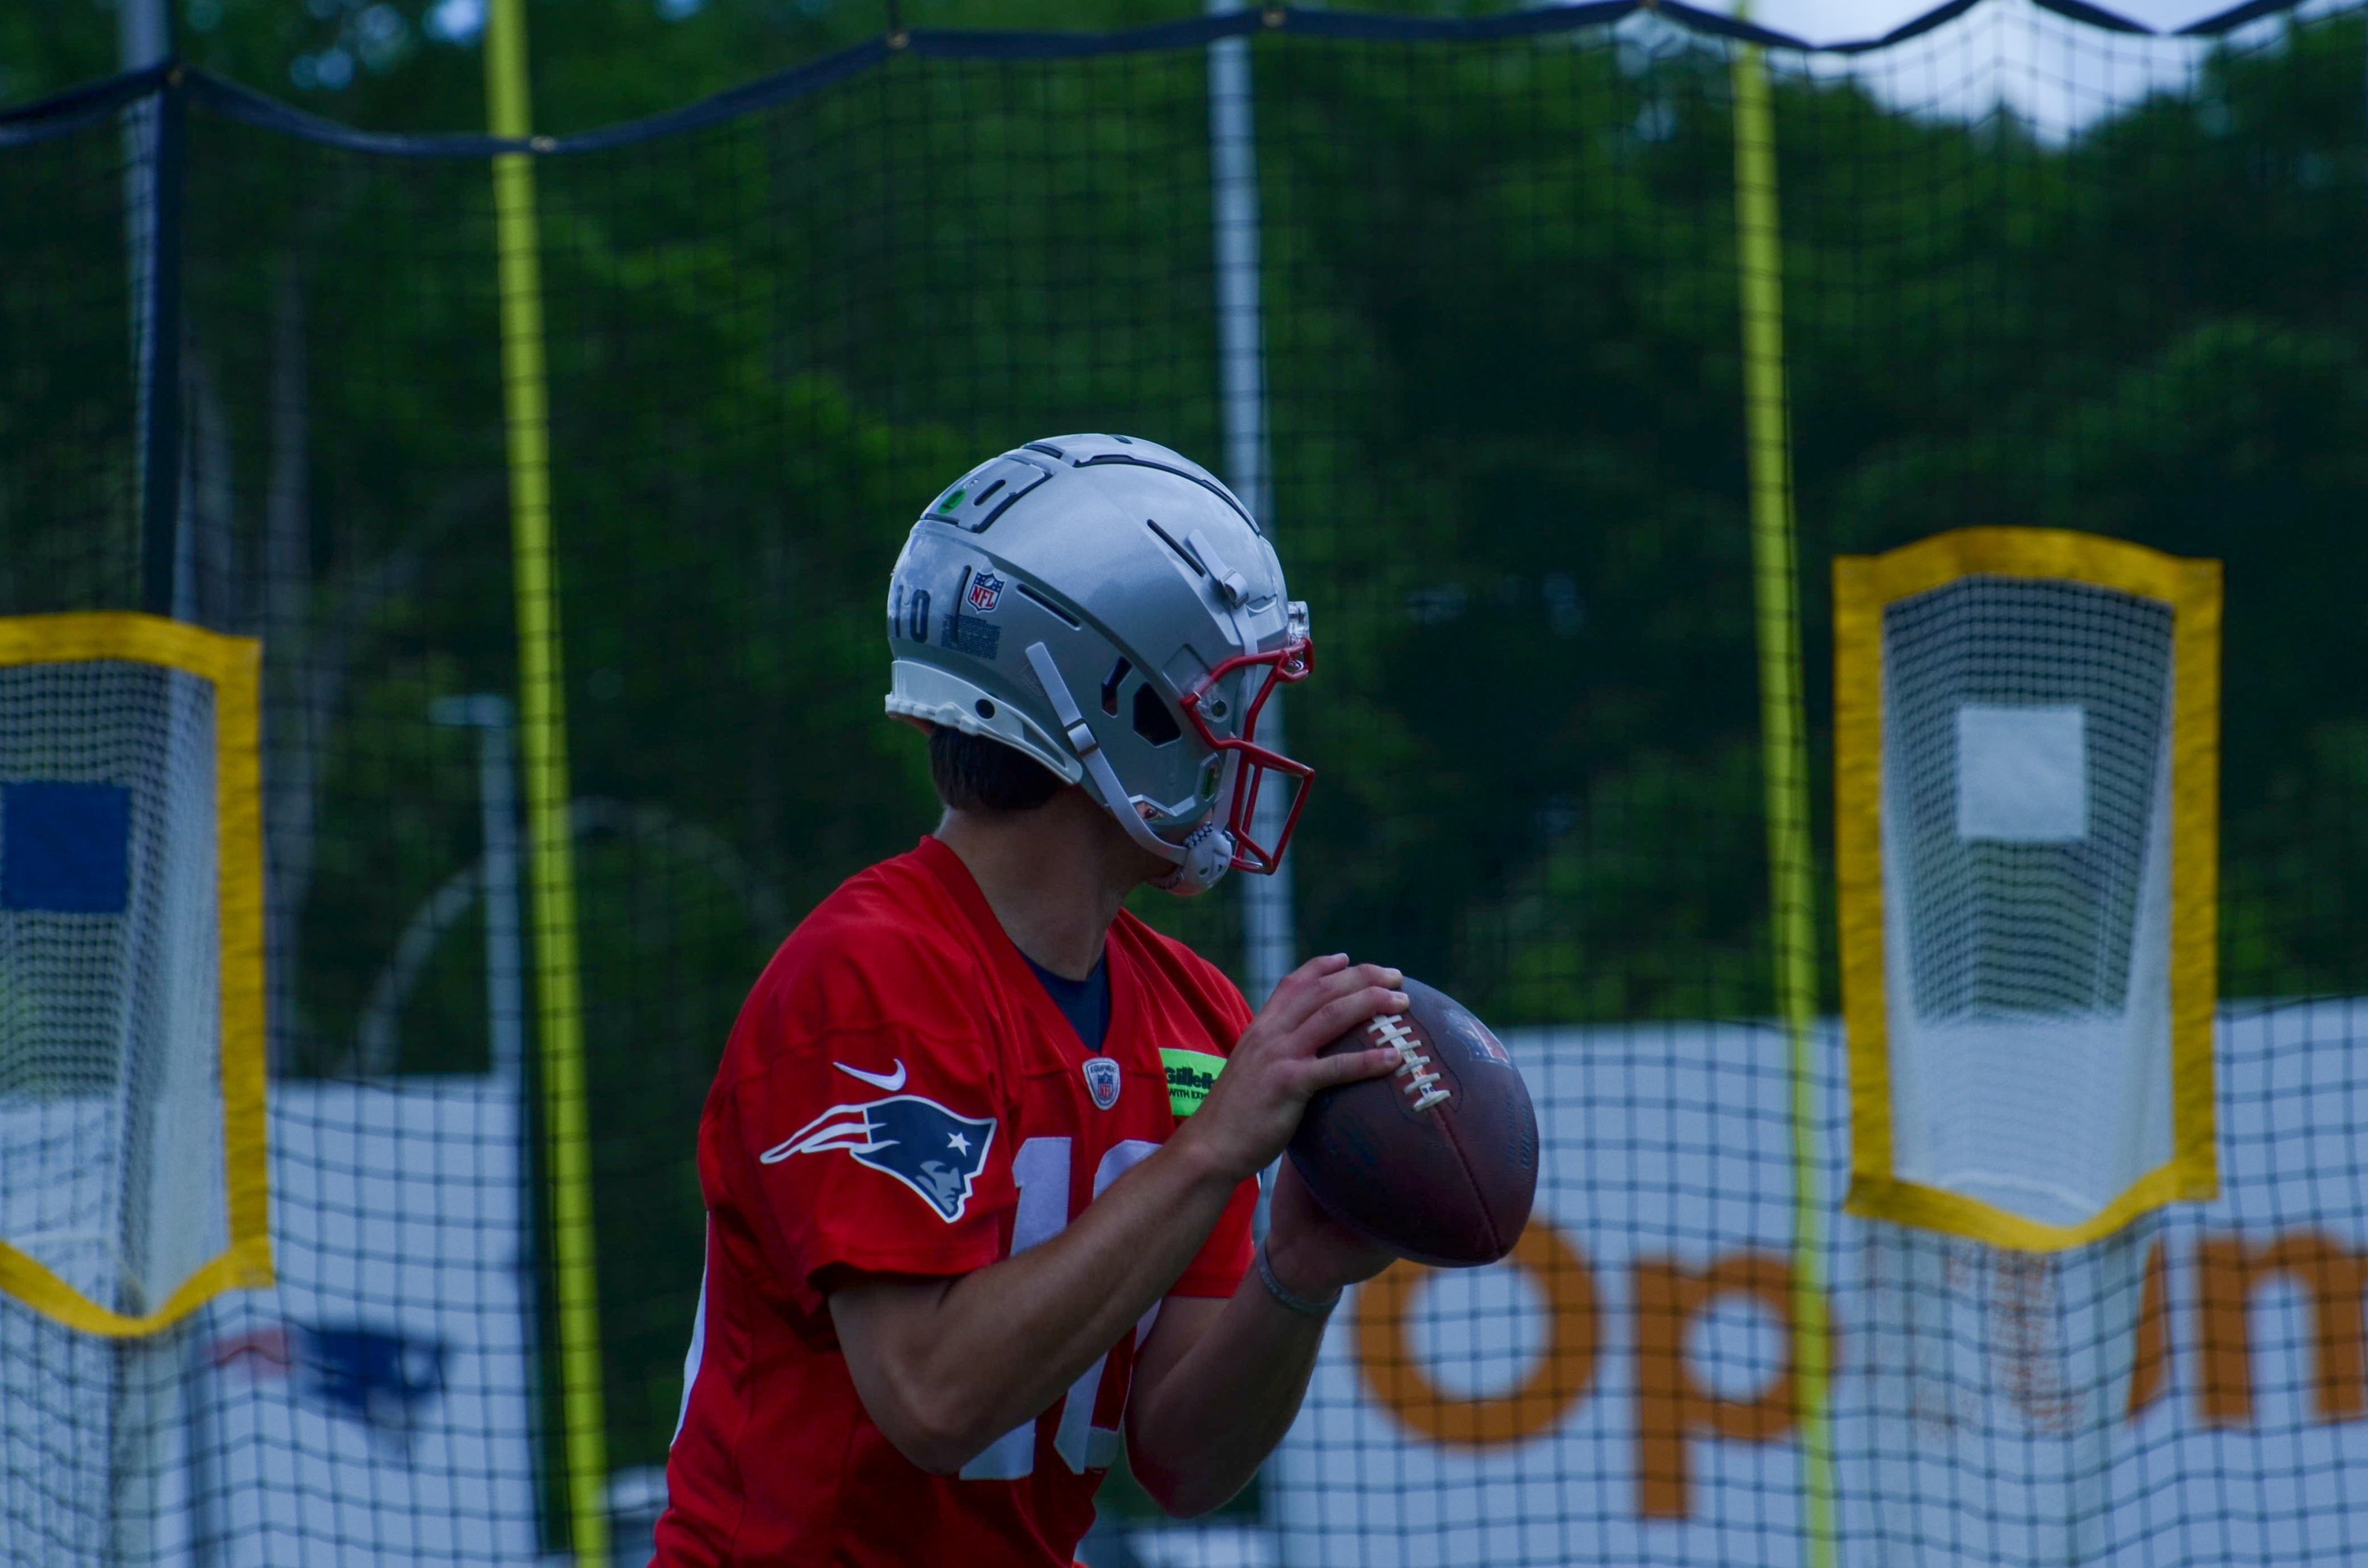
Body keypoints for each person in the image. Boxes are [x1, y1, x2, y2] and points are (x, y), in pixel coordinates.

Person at [653, 434, 1412, 1566]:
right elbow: (932, 1399)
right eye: (1214, 697)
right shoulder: (867, 979)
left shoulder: (1191, 1015)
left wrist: (1293, 1279)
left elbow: (1184, 1460)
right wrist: (1208, 1154)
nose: (1236, 742)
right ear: (1114, 706)